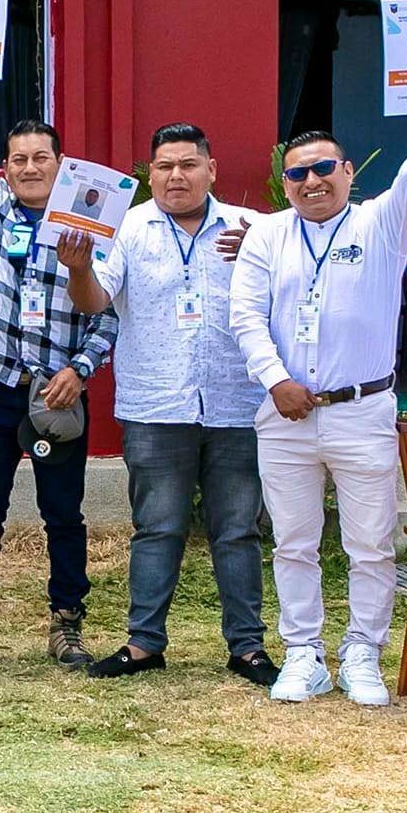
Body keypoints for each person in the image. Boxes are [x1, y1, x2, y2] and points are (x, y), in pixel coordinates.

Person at [230, 49, 407, 706]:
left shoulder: (382, 223)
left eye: (323, 169)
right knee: (293, 542)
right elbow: (245, 316)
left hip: (361, 410)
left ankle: (363, 652)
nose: (311, 181)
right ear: (284, 182)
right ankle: (304, 654)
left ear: (347, 173)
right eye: (297, 173)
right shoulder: (267, 235)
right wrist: (275, 381)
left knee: (370, 543)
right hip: (285, 413)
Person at [0, 28, 117, 670]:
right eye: (18, 159)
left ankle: (67, 624)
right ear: (4, 167)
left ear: (60, 165)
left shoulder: (89, 221)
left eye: (41, 158)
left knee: (63, 514)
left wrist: (80, 370)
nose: (29, 168)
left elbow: (110, 315)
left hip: (58, 394)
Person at [58, 123, 275, 687]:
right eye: (164, 166)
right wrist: (78, 268)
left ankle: (248, 647)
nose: (176, 176)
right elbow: (94, 302)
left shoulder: (252, 229)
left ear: (211, 170)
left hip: (237, 403)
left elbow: (288, 293)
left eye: (188, 164)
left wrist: (265, 259)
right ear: (149, 174)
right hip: (156, 404)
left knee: (239, 530)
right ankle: (144, 643)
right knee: (156, 529)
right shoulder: (127, 228)